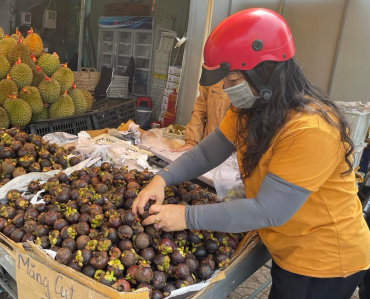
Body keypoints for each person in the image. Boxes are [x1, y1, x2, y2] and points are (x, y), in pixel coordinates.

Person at [132, 8, 370, 299]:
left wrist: (186, 216)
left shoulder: (310, 129)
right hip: (287, 246)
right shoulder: (252, 109)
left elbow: (267, 209)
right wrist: (162, 179)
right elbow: (208, 152)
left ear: (266, 72)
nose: (227, 89)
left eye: (233, 80)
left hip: (323, 261)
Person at [172, 80, 230, 152]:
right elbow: (200, 109)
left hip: (238, 152)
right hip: (209, 144)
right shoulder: (214, 75)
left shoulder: (246, 79)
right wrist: (191, 141)